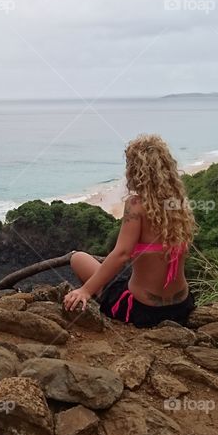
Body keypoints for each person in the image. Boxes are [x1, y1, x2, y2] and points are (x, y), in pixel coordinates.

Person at [63, 134, 197, 327]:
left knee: (78, 258)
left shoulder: (135, 204)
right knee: (125, 275)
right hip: (181, 307)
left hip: (143, 310)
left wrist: (85, 290)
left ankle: (93, 304)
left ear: (136, 170)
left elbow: (122, 254)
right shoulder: (179, 204)